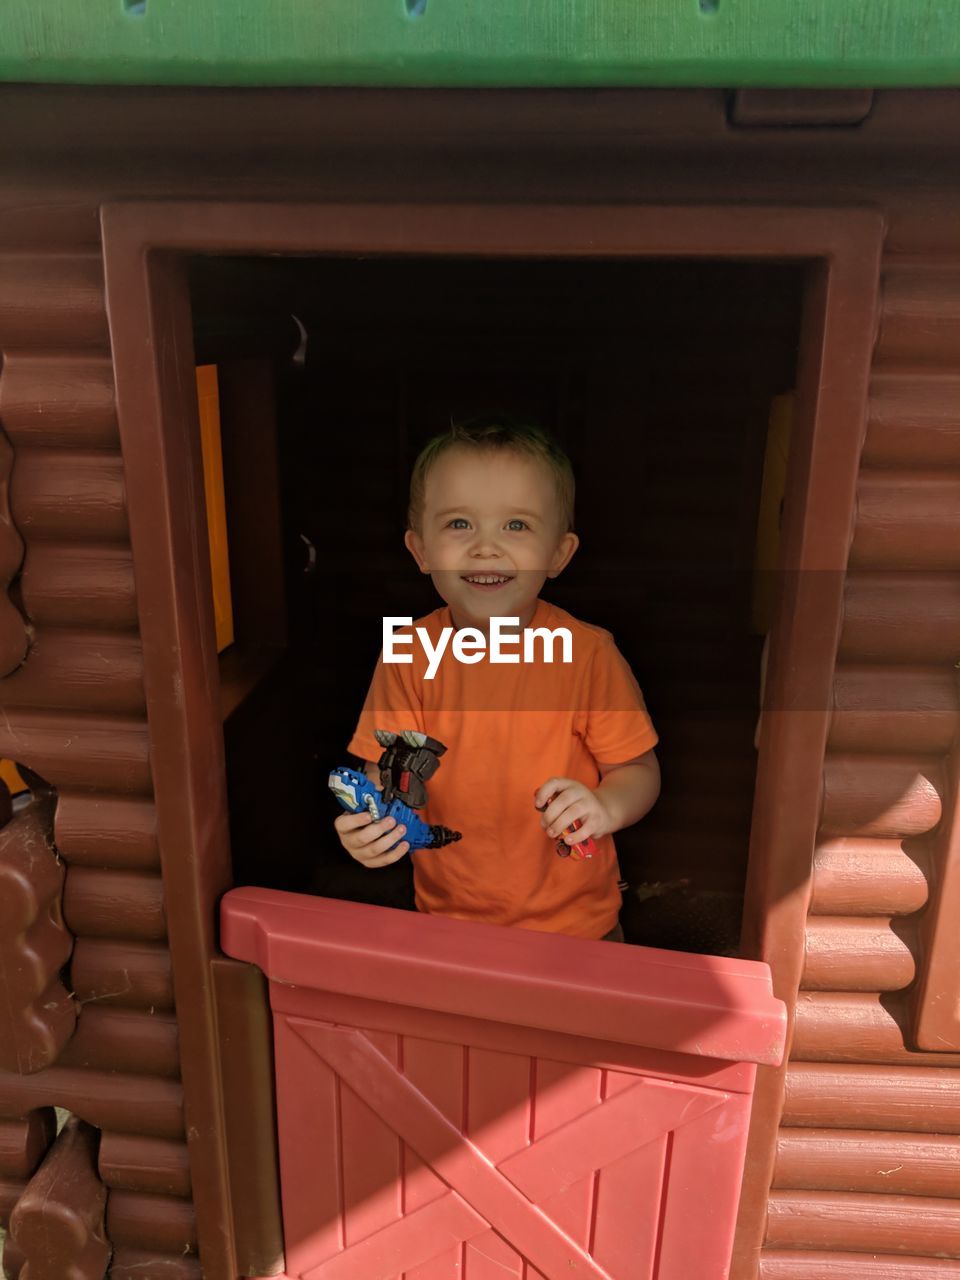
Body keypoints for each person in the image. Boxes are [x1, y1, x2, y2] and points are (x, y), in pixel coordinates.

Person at [335, 419, 660, 941]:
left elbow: (639, 771)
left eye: (517, 526)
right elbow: (385, 769)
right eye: (459, 524)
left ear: (559, 554)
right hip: (447, 921)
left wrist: (606, 805)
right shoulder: (408, 653)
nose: (486, 548)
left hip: (579, 926)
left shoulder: (588, 655)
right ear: (420, 550)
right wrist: (370, 825)